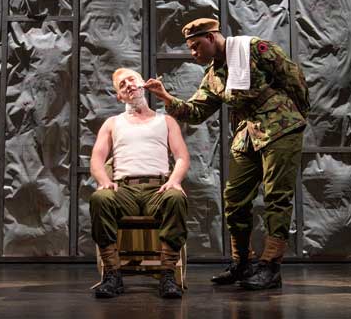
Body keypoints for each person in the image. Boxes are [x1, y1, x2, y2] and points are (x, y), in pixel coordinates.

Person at [144, 18, 309, 290]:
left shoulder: (254, 48)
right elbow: (196, 112)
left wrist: (295, 116)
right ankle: (243, 262)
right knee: (234, 199)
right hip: (247, 135)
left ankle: (271, 267)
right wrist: (165, 97)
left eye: (196, 46)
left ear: (211, 38)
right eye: (190, 48)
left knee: (277, 197)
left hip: (280, 127)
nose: (193, 53)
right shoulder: (213, 76)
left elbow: (293, 77)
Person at [90, 68, 190, 299]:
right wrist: (104, 181)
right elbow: (96, 159)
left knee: (176, 197)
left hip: (158, 188)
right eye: (122, 85)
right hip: (124, 189)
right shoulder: (113, 123)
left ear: (143, 83)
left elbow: (182, 157)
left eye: (131, 79)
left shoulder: (166, 120)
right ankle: (112, 275)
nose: (128, 85)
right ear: (119, 96)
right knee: (100, 198)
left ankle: (167, 275)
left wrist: (174, 180)